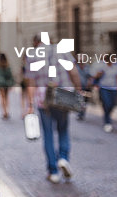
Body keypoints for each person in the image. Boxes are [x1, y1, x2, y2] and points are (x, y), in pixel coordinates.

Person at [26, 35, 81, 184]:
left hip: (43, 99)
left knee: (48, 134)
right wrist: (78, 89)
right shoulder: (62, 50)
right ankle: (63, 158)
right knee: (63, 129)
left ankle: (53, 171)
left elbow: (31, 81)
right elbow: (74, 72)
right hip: (63, 95)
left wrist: (30, 104)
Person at [91, 57, 117, 132]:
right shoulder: (102, 65)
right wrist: (99, 74)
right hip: (104, 88)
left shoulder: (116, 65)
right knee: (106, 104)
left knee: (112, 105)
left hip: (113, 88)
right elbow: (95, 76)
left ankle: (107, 117)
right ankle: (107, 122)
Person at [0, 53, 14, 119]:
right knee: (6, 97)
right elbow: (10, 76)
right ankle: (6, 111)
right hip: (6, 84)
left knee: (2, 98)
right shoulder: (7, 66)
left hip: (1, 84)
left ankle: (4, 111)